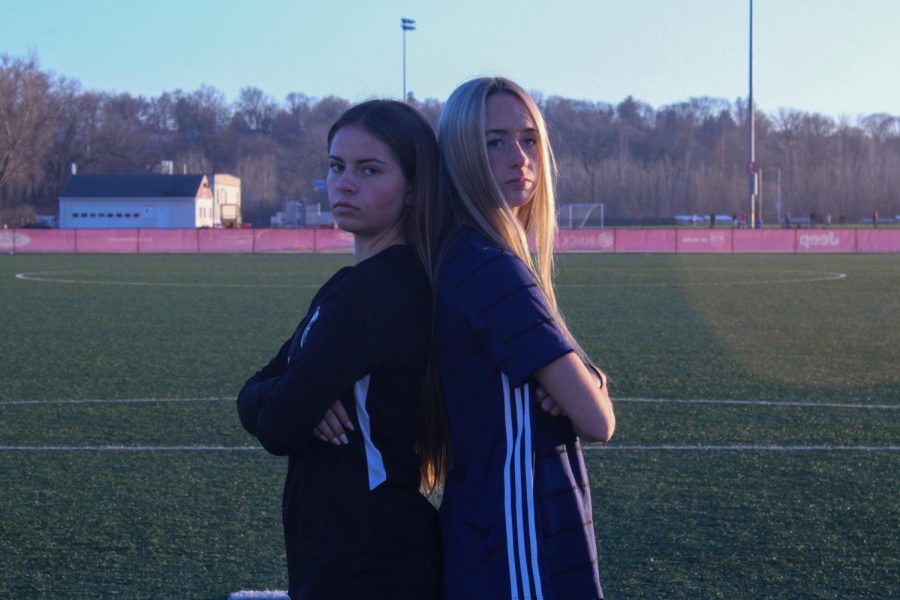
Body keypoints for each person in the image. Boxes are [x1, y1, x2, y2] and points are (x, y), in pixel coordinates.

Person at [416, 77, 616, 600]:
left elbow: (579, 392)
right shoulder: (490, 268)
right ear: (460, 154)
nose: (519, 157)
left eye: (529, 139)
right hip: (518, 535)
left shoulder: (469, 256)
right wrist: (586, 386)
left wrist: (584, 378)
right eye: (494, 142)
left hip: (490, 527)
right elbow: (599, 421)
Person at [237, 100, 442, 600]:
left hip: (370, 558)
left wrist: (289, 396)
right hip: (355, 546)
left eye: (370, 170)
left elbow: (279, 426)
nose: (345, 183)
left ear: (414, 187)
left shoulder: (376, 292)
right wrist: (289, 392)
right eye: (336, 166)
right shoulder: (354, 284)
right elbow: (254, 393)